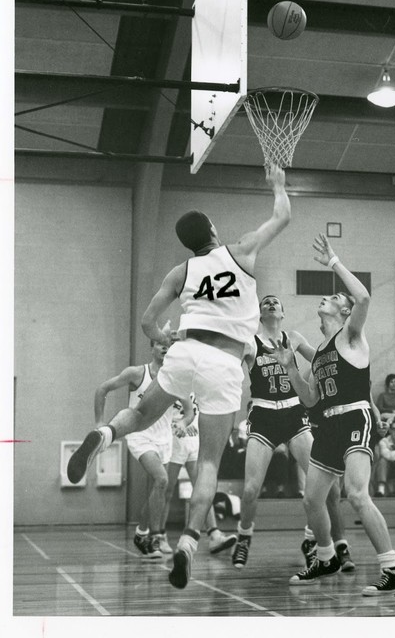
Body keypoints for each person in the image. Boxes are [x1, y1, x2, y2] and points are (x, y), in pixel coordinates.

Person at [67, 164, 291, 590]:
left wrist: (165, 338)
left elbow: (149, 323)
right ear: (212, 228)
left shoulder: (180, 272)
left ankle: (104, 435)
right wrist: (278, 185)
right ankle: (189, 541)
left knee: (139, 416)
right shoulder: (241, 251)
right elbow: (283, 216)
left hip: (185, 350)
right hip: (224, 363)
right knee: (208, 460)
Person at [272, 234, 395, 595]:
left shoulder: (352, 335)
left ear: (344, 311)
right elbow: (310, 399)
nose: (327, 298)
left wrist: (334, 260)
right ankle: (327, 556)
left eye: (334, 297)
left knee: (358, 494)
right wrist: (289, 369)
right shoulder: (318, 353)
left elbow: (363, 296)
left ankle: (392, 570)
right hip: (329, 423)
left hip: (355, 418)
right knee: (312, 498)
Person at [233, 294, 354, 573]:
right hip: (263, 415)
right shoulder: (250, 343)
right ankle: (244, 536)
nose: (271, 304)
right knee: (251, 489)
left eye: (276, 302)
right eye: (266, 303)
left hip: (294, 414)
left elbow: (324, 360)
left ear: (283, 314)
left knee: (325, 485)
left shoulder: (294, 338)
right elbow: (229, 361)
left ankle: (313, 541)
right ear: (260, 314)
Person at [92, 336, 194, 560]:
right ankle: (154, 538)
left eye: (170, 346)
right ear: (152, 348)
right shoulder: (136, 373)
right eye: (161, 344)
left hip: (164, 438)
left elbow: (189, 410)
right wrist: (99, 423)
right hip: (140, 436)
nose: (166, 348)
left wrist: (183, 423)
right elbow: (102, 389)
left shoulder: (175, 379)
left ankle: (141, 533)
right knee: (162, 480)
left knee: (159, 490)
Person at [163, 394, 236, 555]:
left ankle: (214, 534)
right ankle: (159, 535)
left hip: (194, 441)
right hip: (174, 440)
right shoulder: (173, 379)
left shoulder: (200, 382)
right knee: (166, 490)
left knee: (202, 486)